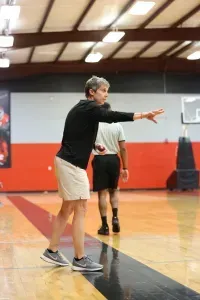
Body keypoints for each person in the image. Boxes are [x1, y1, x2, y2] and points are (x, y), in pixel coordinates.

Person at [40, 75, 164, 272]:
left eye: (107, 91)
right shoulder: (89, 108)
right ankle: (80, 259)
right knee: (80, 208)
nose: (106, 95)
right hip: (71, 165)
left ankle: (52, 250)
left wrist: (94, 144)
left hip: (66, 161)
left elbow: (74, 134)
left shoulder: (83, 109)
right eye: (103, 91)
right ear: (92, 92)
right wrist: (143, 114)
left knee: (67, 209)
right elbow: (112, 115)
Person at [92, 102, 128, 235]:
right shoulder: (118, 125)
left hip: (100, 160)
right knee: (114, 191)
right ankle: (115, 218)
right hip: (114, 159)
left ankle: (105, 226)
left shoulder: (94, 125)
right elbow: (123, 148)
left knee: (102, 194)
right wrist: (125, 167)